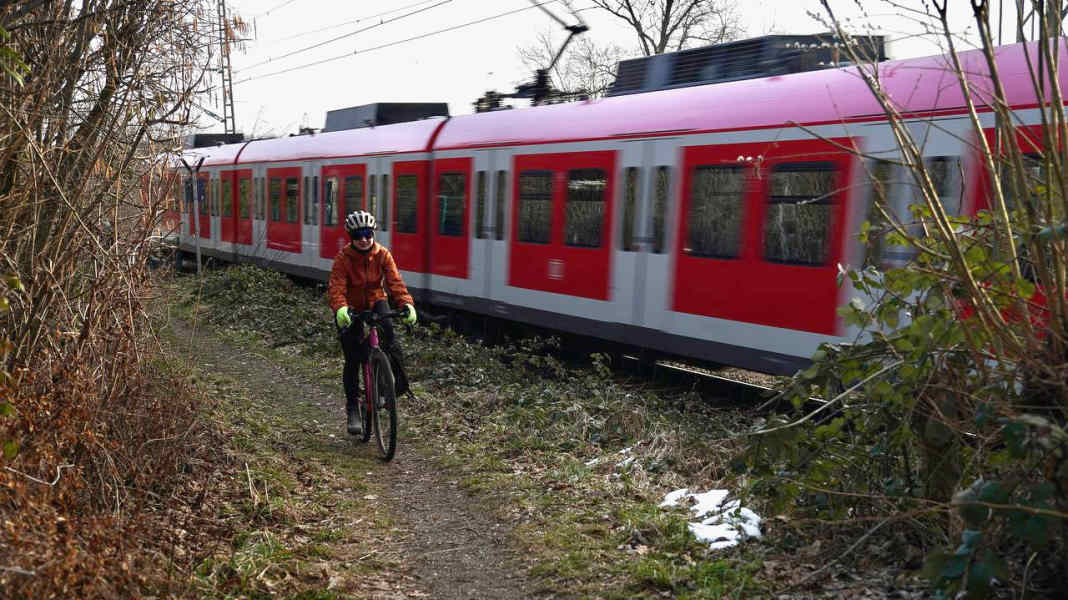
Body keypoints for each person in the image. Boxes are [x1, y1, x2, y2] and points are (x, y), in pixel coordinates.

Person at [328, 210, 417, 436]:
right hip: (351, 308)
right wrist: (340, 309)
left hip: (377, 301)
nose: (364, 238)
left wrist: (407, 304)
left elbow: (395, 283)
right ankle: (353, 408)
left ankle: (393, 385)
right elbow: (336, 288)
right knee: (352, 357)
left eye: (368, 233)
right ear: (351, 236)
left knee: (390, 336)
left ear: (373, 234)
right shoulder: (343, 259)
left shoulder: (383, 254)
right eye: (358, 234)